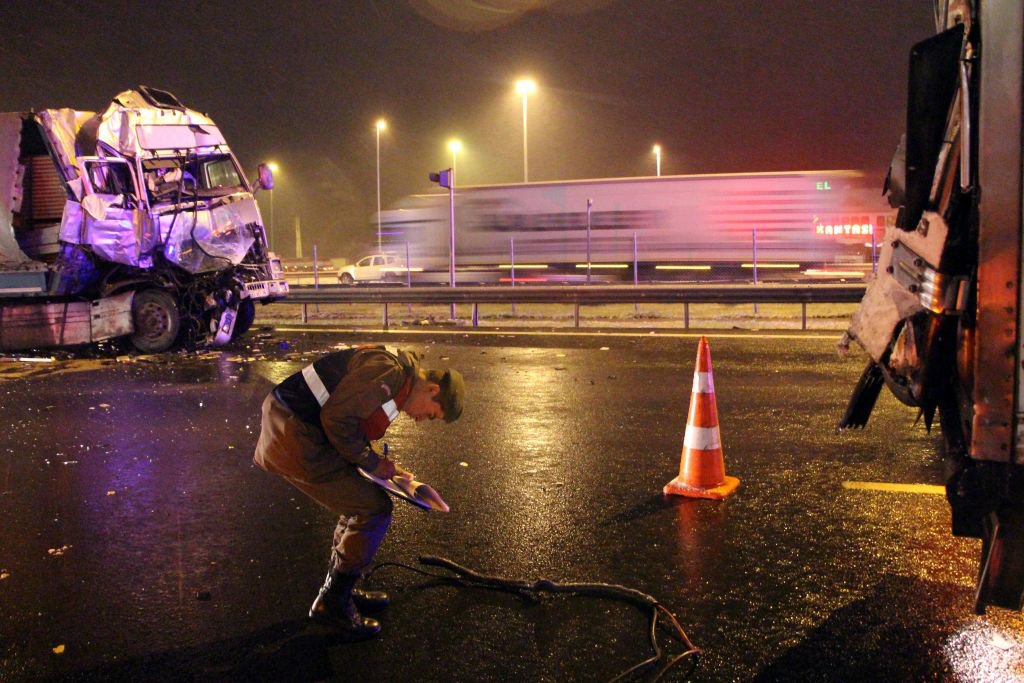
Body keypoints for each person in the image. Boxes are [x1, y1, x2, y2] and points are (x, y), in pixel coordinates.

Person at [253, 345, 464, 637]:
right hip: (294, 434)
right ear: (430, 390)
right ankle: (333, 603)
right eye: (431, 415)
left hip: (300, 427)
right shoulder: (389, 373)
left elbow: (353, 423)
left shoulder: (395, 375)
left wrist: (386, 467)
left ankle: (339, 589)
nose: (420, 420)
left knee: (360, 504)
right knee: (372, 509)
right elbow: (337, 420)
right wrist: (372, 463)